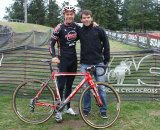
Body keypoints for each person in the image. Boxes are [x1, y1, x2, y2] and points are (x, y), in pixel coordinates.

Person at [78, 10, 110, 118]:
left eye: (88, 17)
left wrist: (106, 60)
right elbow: (70, 33)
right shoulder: (80, 31)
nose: (86, 19)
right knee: (85, 88)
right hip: (85, 64)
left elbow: (106, 44)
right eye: (84, 18)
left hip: (99, 63)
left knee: (101, 87)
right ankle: (86, 109)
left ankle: (103, 110)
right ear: (81, 19)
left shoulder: (99, 30)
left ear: (92, 18)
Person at [49, 6, 79, 122]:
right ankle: (58, 110)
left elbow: (86, 33)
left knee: (69, 86)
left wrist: (93, 25)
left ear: (74, 15)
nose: (69, 16)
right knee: (60, 86)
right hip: (62, 61)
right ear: (64, 15)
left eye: (71, 14)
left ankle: (68, 107)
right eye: (67, 14)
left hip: (73, 60)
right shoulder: (59, 27)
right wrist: (54, 56)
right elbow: (51, 44)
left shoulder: (77, 27)